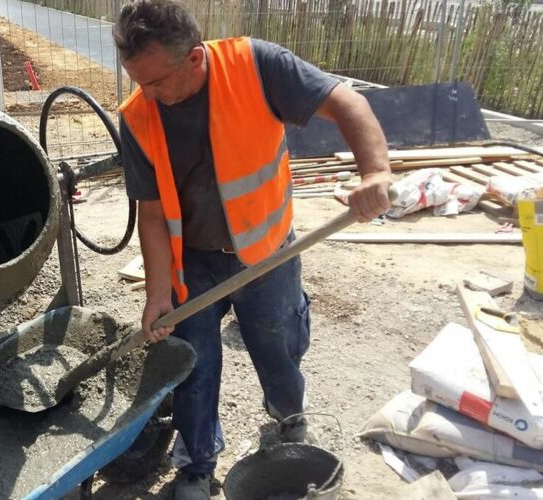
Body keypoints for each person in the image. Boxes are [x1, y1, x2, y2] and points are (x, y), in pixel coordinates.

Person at [112, 1, 391, 498]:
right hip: (191, 261)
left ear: (194, 59)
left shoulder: (257, 66)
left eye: (154, 82)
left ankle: (289, 421)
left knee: (277, 346)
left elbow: (347, 101)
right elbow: (152, 213)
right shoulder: (137, 117)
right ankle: (197, 463)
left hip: (268, 253)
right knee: (193, 363)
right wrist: (156, 293)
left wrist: (375, 173)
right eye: (137, 81)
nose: (146, 94)